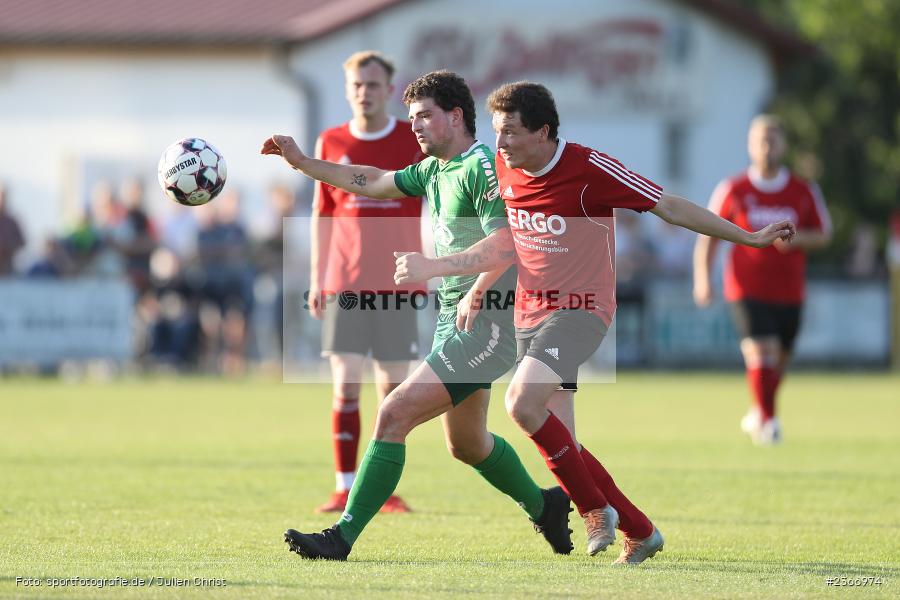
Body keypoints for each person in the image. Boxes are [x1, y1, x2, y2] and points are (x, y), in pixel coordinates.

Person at [393, 82, 796, 564]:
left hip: (582, 309)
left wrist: (746, 238)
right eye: (496, 132)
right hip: (530, 313)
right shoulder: (501, 168)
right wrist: (480, 287)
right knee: (564, 444)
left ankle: (593, 510)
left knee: (521, 403)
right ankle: (641, 531)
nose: (498, 144)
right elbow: (507, 242)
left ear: (543, 132)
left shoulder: (589, 168)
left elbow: (669, 205)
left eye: (509, 133)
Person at [262, 70, 574, 561]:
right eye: (411, 119)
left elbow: (507, 244)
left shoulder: (482, 167)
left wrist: (438, 268)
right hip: (457, 317)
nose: (415, 127)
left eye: (424, 116)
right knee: (467, 444)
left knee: (392, 413)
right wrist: (303, 163)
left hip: (488, 319)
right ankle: (545, 505)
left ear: (455, 116)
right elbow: (371, 180)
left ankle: (340, 536)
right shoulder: (434, 169)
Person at [307, 51, 425, 514]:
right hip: (346, 284)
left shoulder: (411, 140)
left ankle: (383, 490)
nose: (364, 92)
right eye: (357, 84)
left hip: (398, 284)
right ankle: (343, 485)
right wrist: (318, 277)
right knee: (346, 382)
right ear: (347, 89)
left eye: (373, 85)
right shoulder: (331, 140)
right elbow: (323, 214)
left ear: (389, 90)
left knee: (393, 395)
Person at [693, 115, 831, 445]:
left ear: (783, 144)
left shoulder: (802, 190)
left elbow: (824, 234)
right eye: (760, 140)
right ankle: (770, 424)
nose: (766, 146)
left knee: (778, 361)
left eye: (773, 139)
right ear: (750, 145)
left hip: (789, 291)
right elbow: (708, 235)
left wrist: (797, 241)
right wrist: (703, 278)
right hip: (746, 288)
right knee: (761, 351)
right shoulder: (734, 189)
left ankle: (759, 409)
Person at [0, 183, 26, 276]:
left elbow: (22, 242)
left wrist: (9, 247)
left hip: (7, 269)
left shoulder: (12, 221)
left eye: (3, 197)